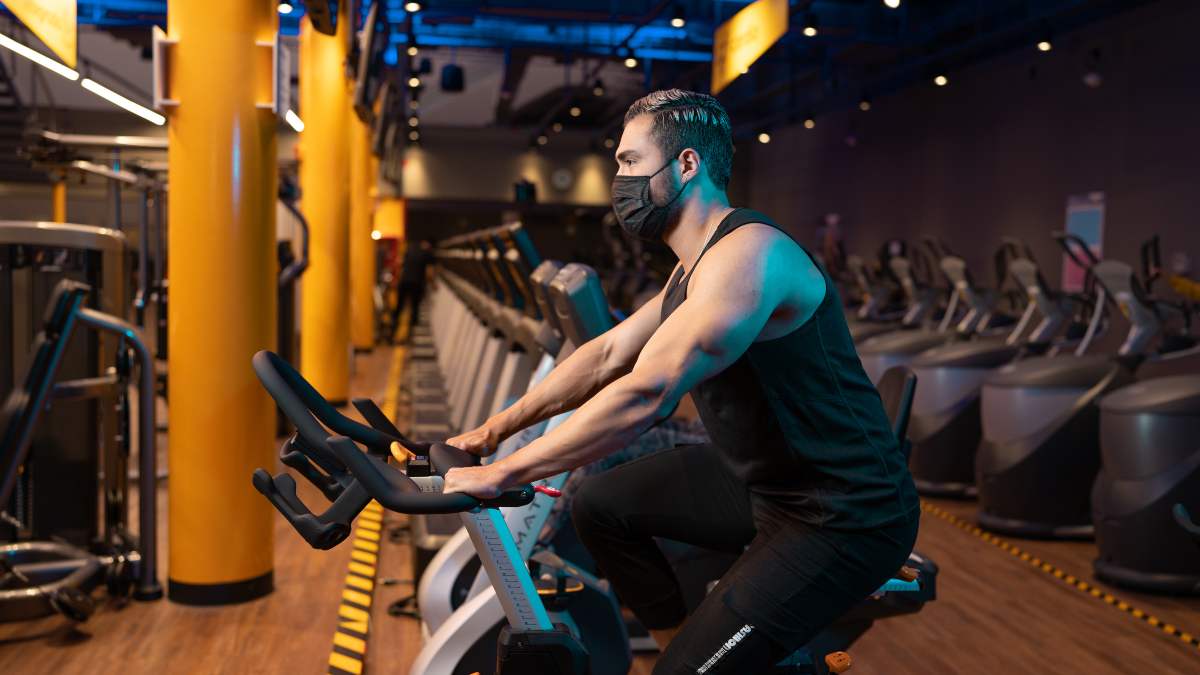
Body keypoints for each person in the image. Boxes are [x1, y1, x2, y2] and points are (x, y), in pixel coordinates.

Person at [443, 89, 919, 674]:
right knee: (599, 505)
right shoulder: (691, 264)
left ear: (687, 165)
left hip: (842, 513)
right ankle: (680, 650)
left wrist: (504, 473)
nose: (617, 180)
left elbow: (648, 390)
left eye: (629, 162)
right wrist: (491, 433)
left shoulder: (748, 255)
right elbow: (608, 353)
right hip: (766, 482)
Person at [389, 238, 434, 342]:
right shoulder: (428, 254)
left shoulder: (410, 250)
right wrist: (433, 285)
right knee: (414, 310)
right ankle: (410, 339)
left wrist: (396, 281)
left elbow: (401, 266)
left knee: (399, 309)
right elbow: (429, 273)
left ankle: (392, 335)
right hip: (416, 284)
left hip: (404, 282)